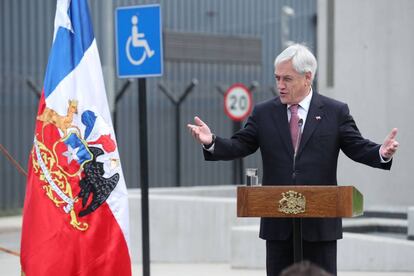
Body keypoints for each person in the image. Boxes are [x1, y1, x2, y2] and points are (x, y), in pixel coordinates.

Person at [187, 44, 399, 276]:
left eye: (287, 79)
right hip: (278, 224)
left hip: (320, 225)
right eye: (277, 78)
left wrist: (381, 152)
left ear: (308, 77)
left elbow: (356, 147)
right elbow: (240, 144)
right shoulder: (264, 113)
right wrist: (211, 141)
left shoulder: (335, 111)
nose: (280, 85)